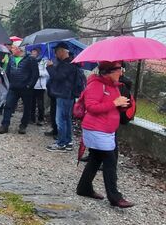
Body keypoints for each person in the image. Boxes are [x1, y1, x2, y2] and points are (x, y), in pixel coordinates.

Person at [76, 61, 135, 208]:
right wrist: (114, 103)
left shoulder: (114, 86)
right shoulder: (96, 85)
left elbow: (112, 107)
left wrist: (122, 106)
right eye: (119, 69)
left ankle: (84, 188)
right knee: (110, 162)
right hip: (96, 130)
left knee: (96, 159)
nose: (121, 72)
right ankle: (115, 197)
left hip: (106, 131)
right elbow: (91, 107)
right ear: (109, 71)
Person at [44, 42, 83, 152]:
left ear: (62, 51)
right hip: (67, 95)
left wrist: (50, 67)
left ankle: (61, 143)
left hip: (64, 94)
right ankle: (68, 141)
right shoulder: (70, 63)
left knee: (60, 120)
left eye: (56, 51)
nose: (55, 54)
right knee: (66, 119)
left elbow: (58, 77)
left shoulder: (67, 64)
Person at [0, 42, 39, 134]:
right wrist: (7, 83)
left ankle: (23, 125)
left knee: (27, 107)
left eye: (13, 48)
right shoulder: (11, 58)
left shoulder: (31, 59)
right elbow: (8, 72)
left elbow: (35, 74)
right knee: (8, 106)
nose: (11, 49)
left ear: (19, 49)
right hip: (13, 87)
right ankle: (5, 125)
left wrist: (29, 85)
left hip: (26, 88)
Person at [31, 47, 49, 125]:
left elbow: (47, 73)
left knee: (40, 103)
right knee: (31, 103)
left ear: (38, 53)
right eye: (32, 52)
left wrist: (38, 73)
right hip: (32, 85)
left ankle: (40, 119)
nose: (33, 53)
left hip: (40, 86)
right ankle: (31, 118)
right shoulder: (31, 61)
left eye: (34, 51)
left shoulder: (44, 61)